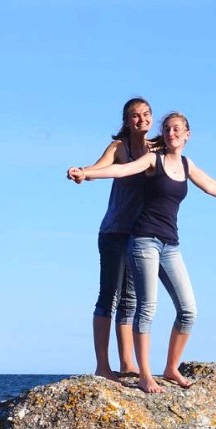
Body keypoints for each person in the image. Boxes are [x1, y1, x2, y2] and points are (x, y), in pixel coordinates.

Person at [68, 112, 216, 393]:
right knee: (146, 308)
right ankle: (145, 376)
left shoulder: (187, 164)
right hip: (143, 242)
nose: (171, 133)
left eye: (177, 129)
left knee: (188, 310)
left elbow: (210, 184)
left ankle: (171, 368)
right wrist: (86, 172)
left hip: (170, 244)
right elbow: (120, 170)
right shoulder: (153, 159)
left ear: (188, 134)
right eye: (167, 129)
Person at [68, 97, 157, 382]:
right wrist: (84, 173)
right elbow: (102, 167)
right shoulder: (120, 148)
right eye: (134, 115)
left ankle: (128, 363)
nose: (141, 119)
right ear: (126, 120)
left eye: (145, 114)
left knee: (131, 299)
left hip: (142, 235)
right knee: (109, 296)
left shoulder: (157, 149)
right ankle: (102, 366)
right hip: (115, 231)